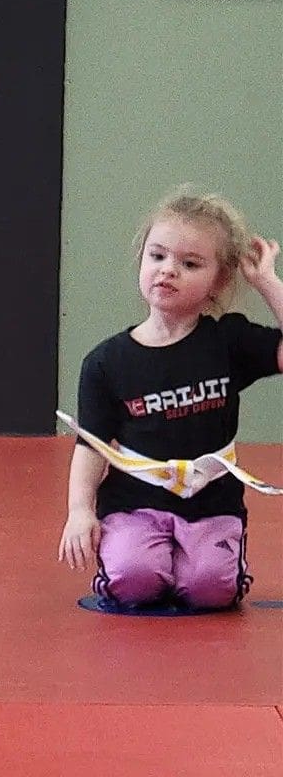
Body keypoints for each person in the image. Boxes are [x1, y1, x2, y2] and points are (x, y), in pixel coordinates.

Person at [57, 187, 283, 610]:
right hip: (135, 500)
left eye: (190, 263)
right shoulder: (107, 363)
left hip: (211, 500)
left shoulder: (228, 341)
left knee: (209, 590)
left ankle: (210, 559)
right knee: (134, 581)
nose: (168, 271)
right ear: (141, 259)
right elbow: (91, 446)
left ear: (218, 280)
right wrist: (79, 511)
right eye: (157, 256)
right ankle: (137, 551)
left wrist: (267, 283)